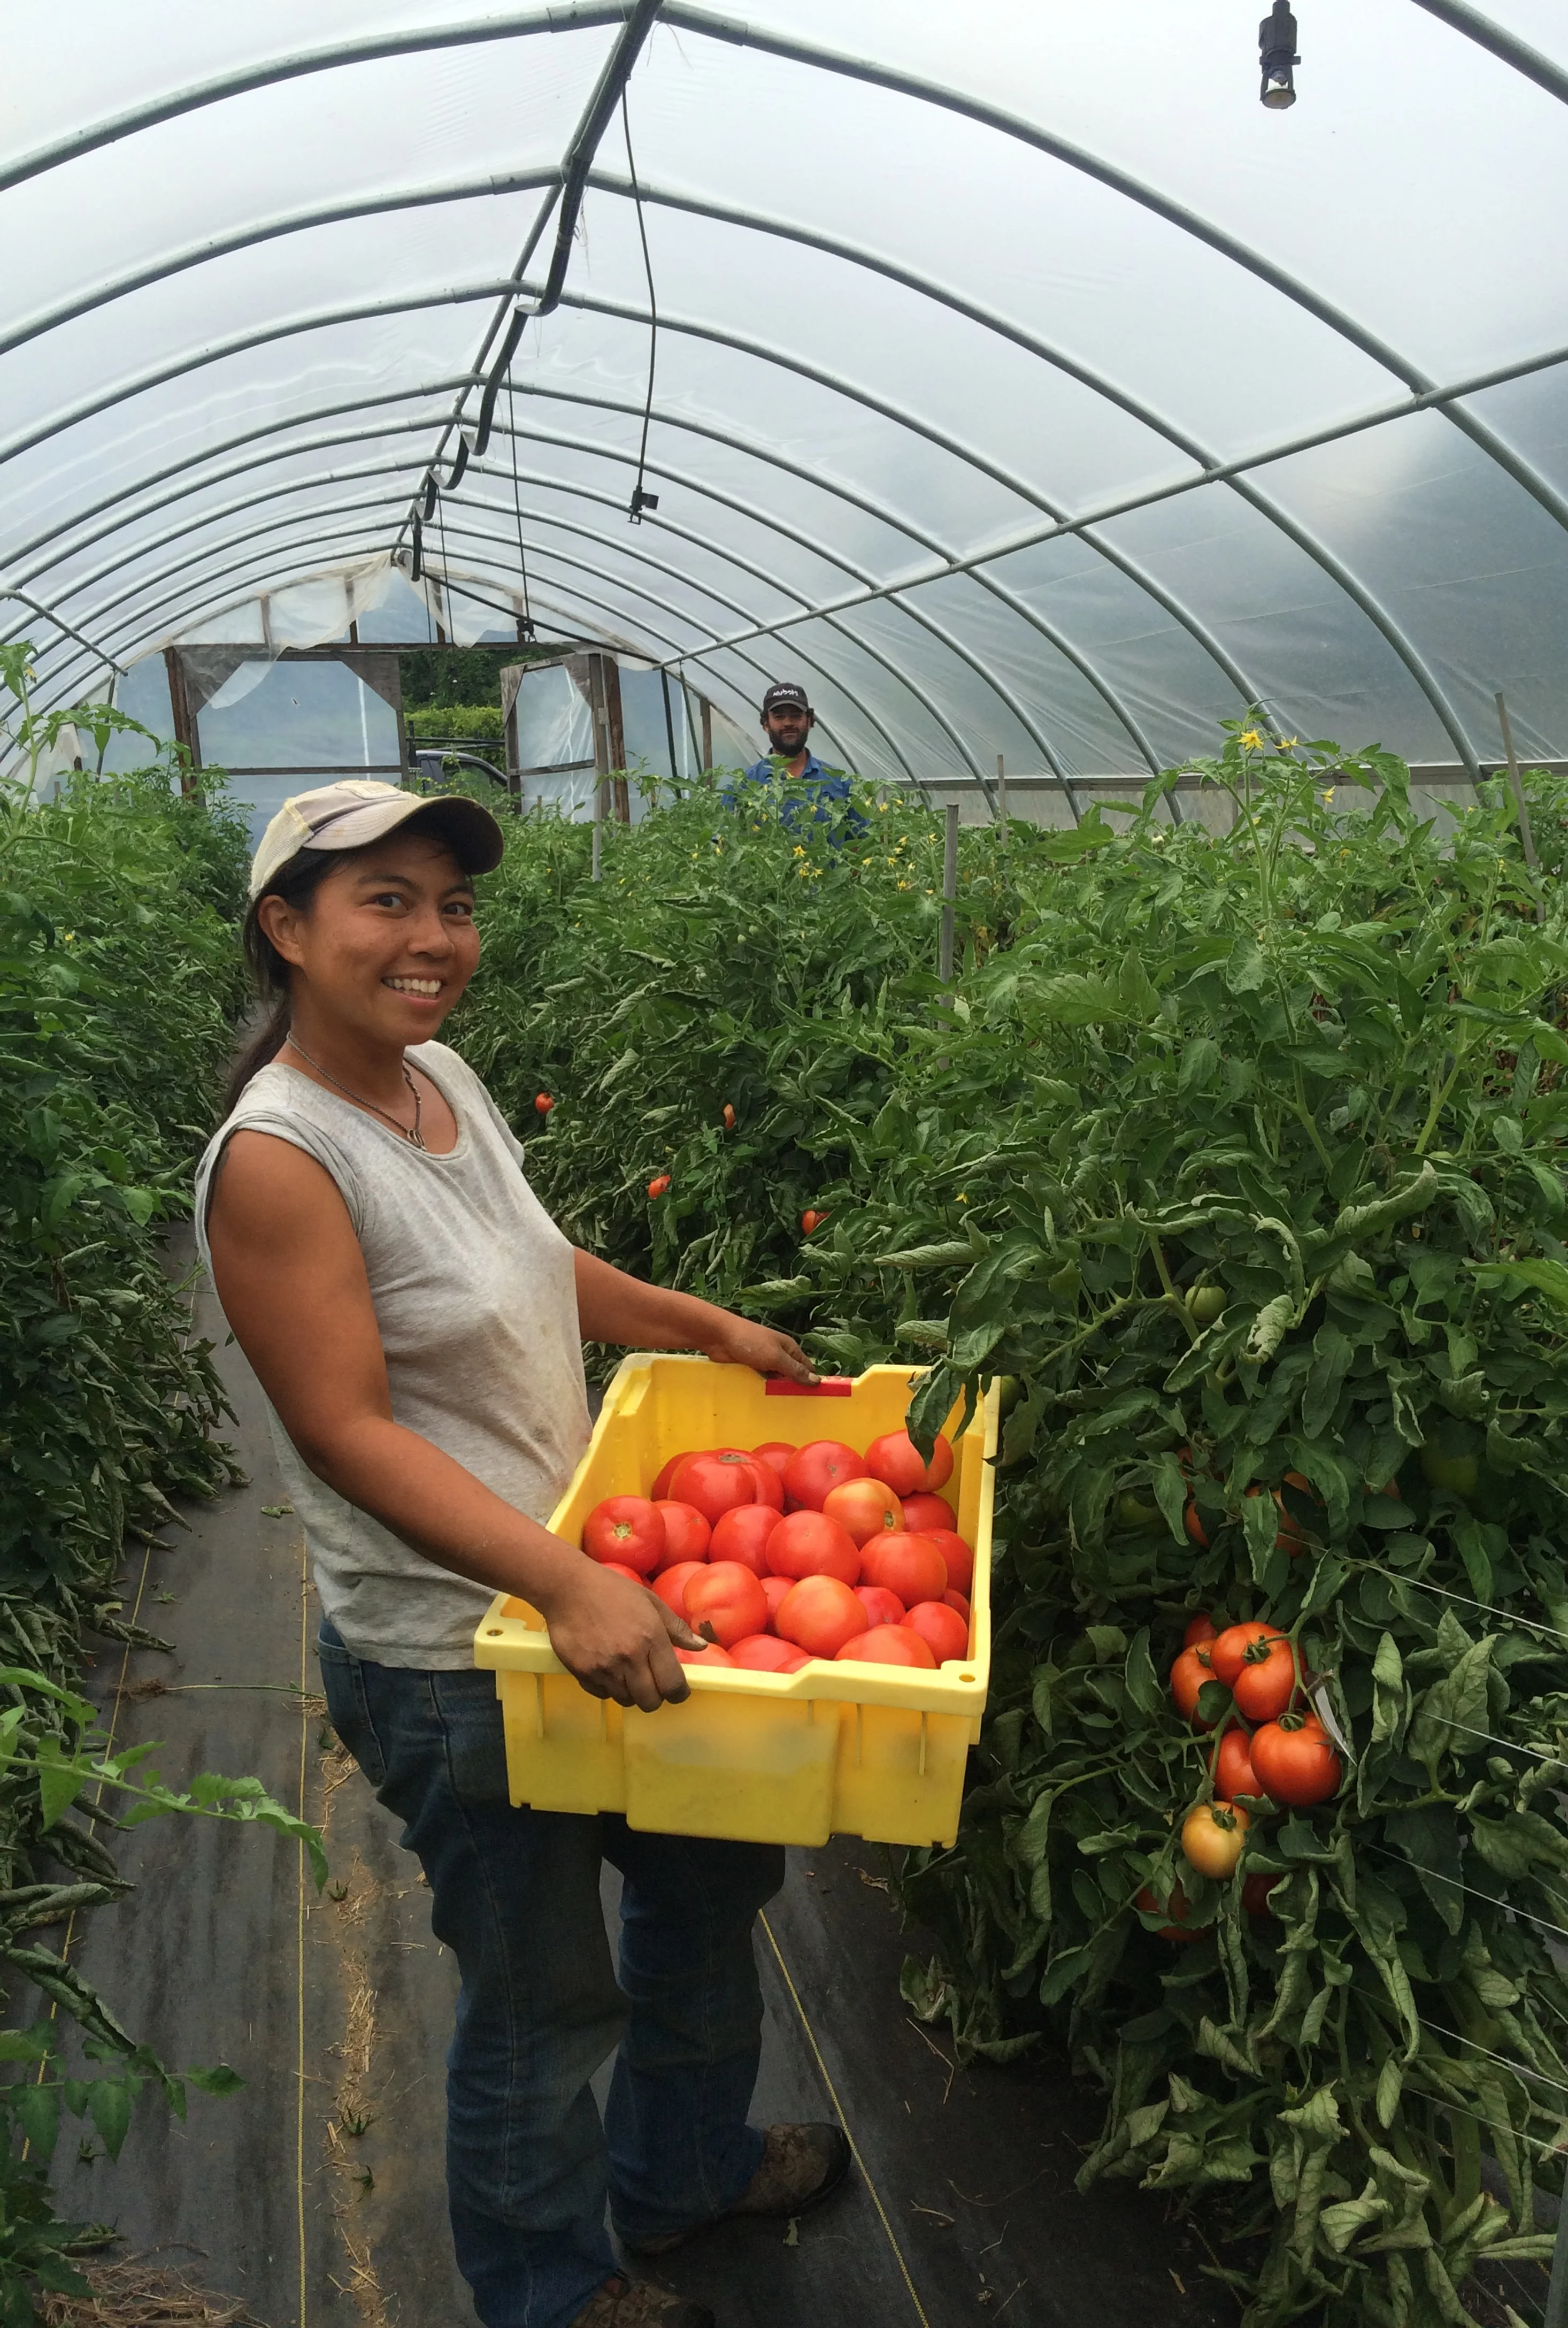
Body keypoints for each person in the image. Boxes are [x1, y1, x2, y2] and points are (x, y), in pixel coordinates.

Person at [195, 779, 852, 2328]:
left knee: (708, 1891)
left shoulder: (438, 1075)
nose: (434, 937)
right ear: (286, 929)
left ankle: (683, 2172)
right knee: (543, 1998)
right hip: (458, 1655)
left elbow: (533, 1261)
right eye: (386, 901)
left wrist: (700, 1324)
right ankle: (551, 2290)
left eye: (454, 904)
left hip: (599, 1592)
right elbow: (346, 1431)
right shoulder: (280, 1158)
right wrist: (560, 1583)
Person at [726, 683, 867, 841]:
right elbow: (723, 842)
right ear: (766, 725)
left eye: (796, 716)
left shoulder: (841, 784)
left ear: (809, 722)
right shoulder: (744, 786)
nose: (788, 723)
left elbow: (862, 844)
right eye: (779, 717)